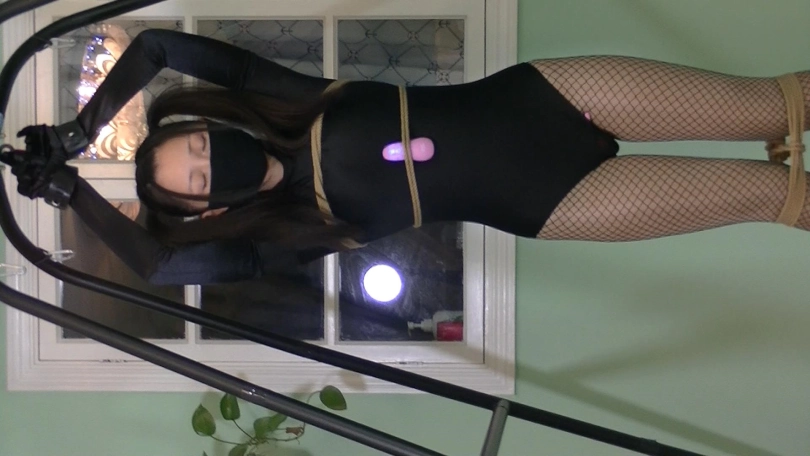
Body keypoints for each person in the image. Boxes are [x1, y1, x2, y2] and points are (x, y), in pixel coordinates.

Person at [11, 29, 810, 285]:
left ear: (207, 125)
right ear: (207, 209)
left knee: (776, 104)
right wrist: (72, 194)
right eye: (194, 181)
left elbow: (157, 47)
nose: (206, 162)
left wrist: (82, 131)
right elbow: (158, 266)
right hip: (553, 203)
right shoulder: (296, 231)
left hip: (550, 97)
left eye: (193, 146)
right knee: (773, 195)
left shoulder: (297, 98)